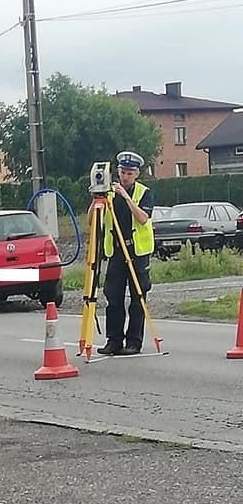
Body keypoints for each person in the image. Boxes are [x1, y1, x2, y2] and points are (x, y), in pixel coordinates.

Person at [94, 150, 154, 356]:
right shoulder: (108, 194)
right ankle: (114, 340)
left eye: (129, 172)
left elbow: (143, 218)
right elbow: (93, 222)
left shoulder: (144, 192)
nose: (125, 176)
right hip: (117, 252)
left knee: (138, 297)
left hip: (137, 252)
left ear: (137, 173)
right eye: (122, 172)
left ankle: (134, 342)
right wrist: (96, 200)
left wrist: (126, 197)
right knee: (113, 296)